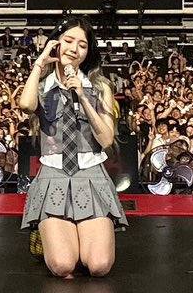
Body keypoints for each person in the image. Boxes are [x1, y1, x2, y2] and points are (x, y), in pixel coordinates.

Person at [14, 18, 126, 277]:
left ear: (88, 53)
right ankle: (50, 237)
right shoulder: (42, 86)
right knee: (64, 265)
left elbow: (107, 139)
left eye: (83, 45)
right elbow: (26, 105)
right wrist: (40, 63)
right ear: (56, 44)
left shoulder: (100, 88)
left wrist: (84, 97)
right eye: (68, 41)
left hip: (91, 175)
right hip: (54, 176)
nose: (74, 48)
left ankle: (71, 237)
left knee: (98, 266)